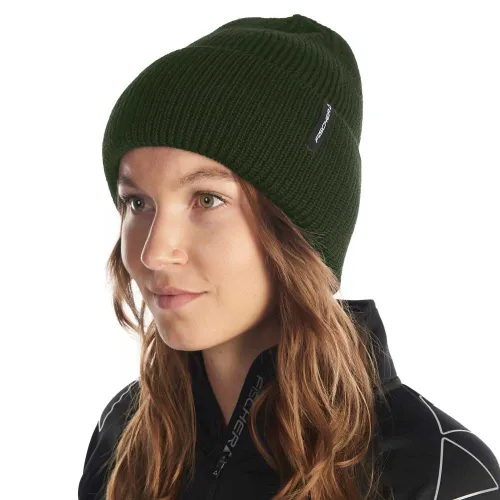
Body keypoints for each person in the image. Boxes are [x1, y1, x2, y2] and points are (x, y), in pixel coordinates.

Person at [78, 13, 500, 500]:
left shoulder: (437, 471)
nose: (153, 253)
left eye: (207, 200)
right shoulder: (126, 434)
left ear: (297, 230)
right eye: (137, 203)